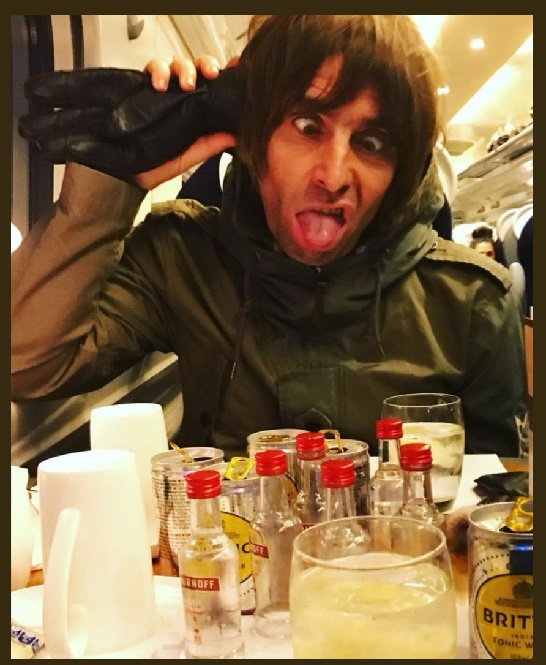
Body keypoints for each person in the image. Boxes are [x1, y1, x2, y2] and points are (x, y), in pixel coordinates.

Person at [11, 15, 527, 459]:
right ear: (252, 136)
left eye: (371, 142)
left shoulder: (472, 301)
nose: (334, 175)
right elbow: (26, 366)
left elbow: (492, 500)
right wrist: (113, 181)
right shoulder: (182, 257)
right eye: (307, 125)